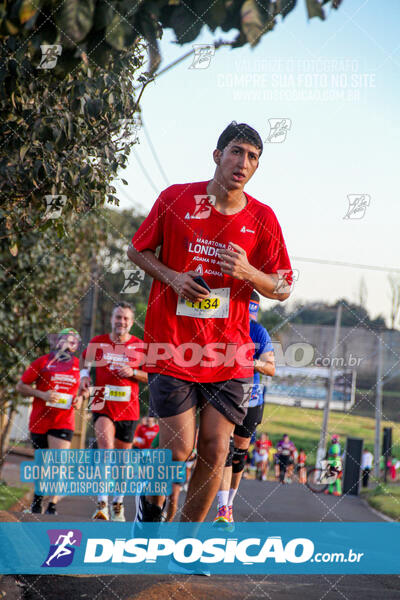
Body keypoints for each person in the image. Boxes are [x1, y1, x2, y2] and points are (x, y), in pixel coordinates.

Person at [128, 121, 292, 525]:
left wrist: (250, 273)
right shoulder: (175, 199)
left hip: (229, 352)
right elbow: (138, 250)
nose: (244, 162)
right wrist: (173, 277)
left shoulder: (263, 218)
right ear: (217, 155)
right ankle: (149, 509)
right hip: (173, 344)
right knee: (179, 449)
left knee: (218, 450)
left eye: (253, 157)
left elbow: (284, 285)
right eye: (236, 151)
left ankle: (186, 543)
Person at [79, 302, 148, 521]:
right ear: (112, 319)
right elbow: (85, 360)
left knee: (122, 461)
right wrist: (83, 376)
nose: (121, 322)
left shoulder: (140, 346)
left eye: (126, 318)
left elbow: (152, 376)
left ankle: (118, 503)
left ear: (131, 322)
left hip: (128, 409)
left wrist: (133, 372)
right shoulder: (98, 342)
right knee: (106, 449)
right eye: (118, 317)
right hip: (102, 401)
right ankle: (102, 504)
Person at [214, 292, 275, 527]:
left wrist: (252, 362)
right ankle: (222, 508)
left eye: (252, 312)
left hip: (251, 397)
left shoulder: (258, 331)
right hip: (225, 393)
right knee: (225, 448)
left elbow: (271, 368)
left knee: (239, 454)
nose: (248, 317)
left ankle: (228, 505)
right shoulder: (222, 324)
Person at [16, 328, 83, 515]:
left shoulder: (80, 365)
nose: (67, 344)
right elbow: (21, 386)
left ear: (76, 346)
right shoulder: (43, 362)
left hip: (64, 420)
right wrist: (41, 394)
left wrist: (80, 398)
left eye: (72, 341)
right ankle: (36, 502)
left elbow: (85, 389)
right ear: (57, 342)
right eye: (64, 340)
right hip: (40, 420)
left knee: (58, 463)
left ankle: (52, 505)